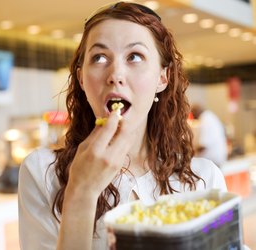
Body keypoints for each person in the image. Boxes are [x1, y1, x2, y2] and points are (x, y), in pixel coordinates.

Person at [18, 2, 227, 250]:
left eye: (134, 57)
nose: (115, 74)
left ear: (162, 77)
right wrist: (81, 192)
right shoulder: (42, 172)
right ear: (82, 78)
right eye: (99, 57)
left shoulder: (204, 179)